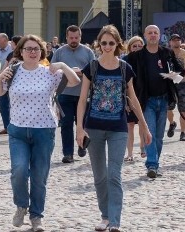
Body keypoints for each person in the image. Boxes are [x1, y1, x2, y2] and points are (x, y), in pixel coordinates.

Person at [0, 35, 80, 232]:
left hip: (44, 129)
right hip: (18, 130)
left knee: (39, 176)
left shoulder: (49, 72)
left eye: (36, 49)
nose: (32, 52)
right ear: (21, 52)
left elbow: (74, 82)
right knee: (19, 171)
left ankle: (36, 217)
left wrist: (63, 66)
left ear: (42, 52)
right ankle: (21, 205)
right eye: (28, 49)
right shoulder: (13, 72)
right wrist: (0, 76)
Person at [76, 25, 151, 232]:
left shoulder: (125, 68)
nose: (107, 46)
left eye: (111, 43)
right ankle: (105, 216)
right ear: (98, 44)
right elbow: (82, 100)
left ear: (117, 44)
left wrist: (144, 127)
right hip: (94, 127)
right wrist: (79, 128)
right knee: (99, 176)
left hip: (118, 127)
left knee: (114, 175)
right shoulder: (91, 67)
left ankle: (115, 221)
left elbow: (133, 99)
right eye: (103, 43)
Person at [125, 25, 182, 178]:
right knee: (149, 132)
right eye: (149, 33)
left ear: (159, 35)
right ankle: (152, 165)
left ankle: (155, 163)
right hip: (146, 100)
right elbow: (123, 68)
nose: (152, 35)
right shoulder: (137, 55)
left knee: (158, 136)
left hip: (163, 99)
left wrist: (174, 75)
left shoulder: (167, 53)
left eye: (155, 33)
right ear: (144, 35)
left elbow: (180, 72)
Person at [51, 24, 96, 163]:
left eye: (76, 37)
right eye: (71, 38)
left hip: (83, 94)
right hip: (64, 93)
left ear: (80, 37)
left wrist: (81, 73)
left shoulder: (88, 52)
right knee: (66, 124)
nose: (74, 40)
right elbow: (52, 70)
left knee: (82, 123)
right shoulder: (59, 52)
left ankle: (82, 145)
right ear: (66, 37)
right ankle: (68, 153)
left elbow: (94, 71)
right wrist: (67, 72)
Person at [121, 36, 145, 161]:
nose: (136, 48)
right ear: (129, 47)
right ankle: (129, 153)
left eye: (139, 46)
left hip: (143, 95)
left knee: (142, 123)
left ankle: (142, 148)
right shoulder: (124, 61)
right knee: (130, 125)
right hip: (129, 96)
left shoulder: (146, 59)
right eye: (134, 46)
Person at [166, 34, 185, 142]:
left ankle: (183, 132)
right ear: (170, 42)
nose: (176, 42)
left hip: (182, 83)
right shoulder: (165, 53)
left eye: (178, 40)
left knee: (183, 108)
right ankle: (172, 123)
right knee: (169, 107)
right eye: (174, 40)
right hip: (169, 83)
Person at [0, 32, 14, 133]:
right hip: (0, 81)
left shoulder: (12, 51)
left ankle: (13, 126)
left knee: (12, 104)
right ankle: (6, 126)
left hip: (10, 82)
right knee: (2, 104)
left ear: (5, 40)